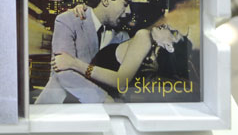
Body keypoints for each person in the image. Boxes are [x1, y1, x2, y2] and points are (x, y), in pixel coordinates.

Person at [36, 0, 132, 104]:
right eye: (125, 4)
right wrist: (103, 99)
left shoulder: (123, 36)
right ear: (105, 0)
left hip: (101, 112)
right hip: (57, 109)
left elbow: (123, 81)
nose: (129, 11)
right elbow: (64, 73)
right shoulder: (67, 21)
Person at [52, 22, 187, 102]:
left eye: (173, 32)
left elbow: (120, 82)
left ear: (170, 47)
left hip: (86, 97)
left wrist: (73, 63)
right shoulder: (150, 60)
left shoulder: (144, 36)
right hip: (91, 98)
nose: (167, 25)